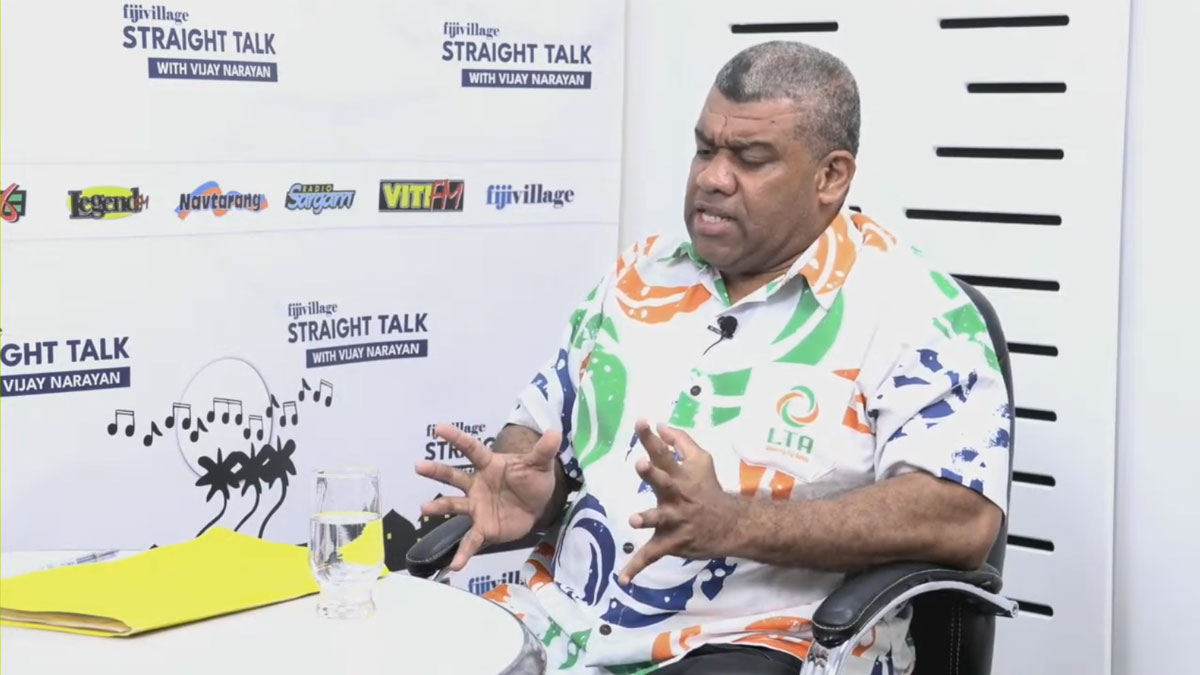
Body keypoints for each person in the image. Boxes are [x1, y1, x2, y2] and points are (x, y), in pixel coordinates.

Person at [416, 40, 1009, 675]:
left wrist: (737, 523)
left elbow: (960, 518)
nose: (712, 178)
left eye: (750, 159)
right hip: (558, 627)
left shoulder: (914, 308)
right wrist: (534, 487)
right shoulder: (640, 276)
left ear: (831, 176)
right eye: (705, 150)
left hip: (758, 647)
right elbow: (535, 430)